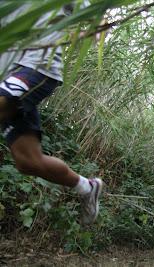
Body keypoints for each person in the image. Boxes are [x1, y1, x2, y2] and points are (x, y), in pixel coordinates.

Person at [0, 3, 103, 225]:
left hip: (35, 66)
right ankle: (87, 187)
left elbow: (92, 11)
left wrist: (95, 24)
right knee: (28, 161)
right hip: (5, 75)